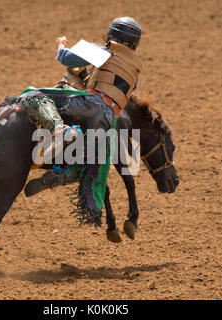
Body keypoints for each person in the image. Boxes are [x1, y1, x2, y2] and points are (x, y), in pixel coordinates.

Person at [24, 17, 142, 225]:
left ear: (112, 34)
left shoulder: (106, 50)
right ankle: (57, 177)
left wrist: (61, 44)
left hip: (89, 104)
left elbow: (66, 59)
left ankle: (59, 127)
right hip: (107, 119)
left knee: (32, 96)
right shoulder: (136, 69)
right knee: (88, 162)